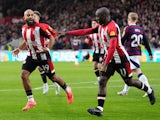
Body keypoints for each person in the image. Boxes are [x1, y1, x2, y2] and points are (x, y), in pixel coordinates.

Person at [61, 7, 155, 116]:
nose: (97, 19)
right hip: (110, 59)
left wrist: (105, 64)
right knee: (102, 81)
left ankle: (149, 91)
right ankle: (99, 108)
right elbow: (85, 31)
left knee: (129, 81)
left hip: (120, 59)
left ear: (105, 17)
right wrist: (68, 33)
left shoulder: (112, 27)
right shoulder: (101, 26)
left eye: (98, 17)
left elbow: (113, 47)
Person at [12, 9, 73, 111]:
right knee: (23, 75)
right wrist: (19, 48)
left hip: (43, 57)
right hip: (32, 56)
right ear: (24, 18)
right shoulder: (23, 28)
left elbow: (52, 37)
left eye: (32, 15)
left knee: (53, 77)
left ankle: (67, 89)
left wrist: (48, 48)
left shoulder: (40, 28)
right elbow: (26, 40)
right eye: (28, 15)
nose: (31, 16)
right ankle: (31, 100)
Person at [117, 12, 153, 97]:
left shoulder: (128, 28)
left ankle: (149, 89)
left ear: (129, 19)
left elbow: (122, 41)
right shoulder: (141, 29)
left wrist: (119, 44)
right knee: (129, 72)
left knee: (136, 72)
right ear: (136, 19)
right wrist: (150, 53)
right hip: (138, 53)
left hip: (130, 53)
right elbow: (146, 43)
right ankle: (125, 90)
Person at [34, 10, 60, 95]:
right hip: (37, 52)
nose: (33, 17)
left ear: (38, 18)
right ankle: (45, 85)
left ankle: (56, 84)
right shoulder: (31, 28)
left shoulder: (45, 26)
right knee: (39, 68)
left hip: (45, 52)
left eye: (35, 16)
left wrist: (48, 42)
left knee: (50, 72)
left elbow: (54, 34)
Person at [85, 19, 105, 83]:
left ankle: (103, 79)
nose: (93, 25)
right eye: (92, 23)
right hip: (96, 51)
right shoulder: (91, 33)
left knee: (99, 65)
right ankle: (99, 80)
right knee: (94, 66)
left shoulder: (101, 30)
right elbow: (89, 41)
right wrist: (87, 41)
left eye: (94, 23)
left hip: (102, 51)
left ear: (97, 24)